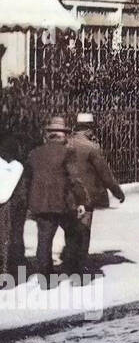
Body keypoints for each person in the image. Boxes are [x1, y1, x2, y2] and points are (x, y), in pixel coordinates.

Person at [24, 117, 88, 282]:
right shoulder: (68, 153)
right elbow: (74, 179)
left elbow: (28, 180)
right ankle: (75, 274)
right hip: (62, 204)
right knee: (74, 234)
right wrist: (81, 201)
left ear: (49, 136)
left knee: (44, 241)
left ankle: (45, 280)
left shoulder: (34, 153)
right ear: (63, 136)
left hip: (40, 204)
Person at [62, 113, 125, 274]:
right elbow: (105, 175)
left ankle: (68, 264)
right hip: (85, 197)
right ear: (89, 129)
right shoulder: (91, 148)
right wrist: (117, 192)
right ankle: (80, 267)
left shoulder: (65, 143)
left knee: (70, 230)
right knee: (83, 232)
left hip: (66, 196)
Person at [0, 131, 29, 284]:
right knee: (11, 239)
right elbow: (22, 193)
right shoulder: (18, 168)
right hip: (11, 208)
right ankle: (9, 273)